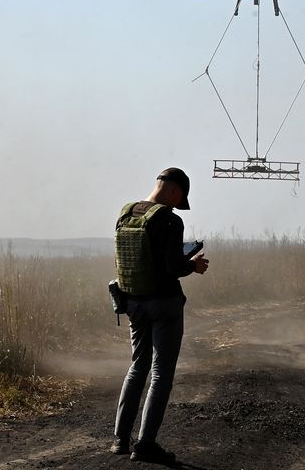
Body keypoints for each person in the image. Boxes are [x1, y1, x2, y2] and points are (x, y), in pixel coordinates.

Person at [112, 167, 209, 464]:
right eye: (180, 197)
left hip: (133, 302)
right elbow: (172, 267)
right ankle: (145, 445)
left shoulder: (126, 213)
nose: (178, 202)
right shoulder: (169, 219)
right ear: (173, 190)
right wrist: (192, 265)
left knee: (137, 368)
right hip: (164, 305)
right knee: (161, 373)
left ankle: (120, 440)